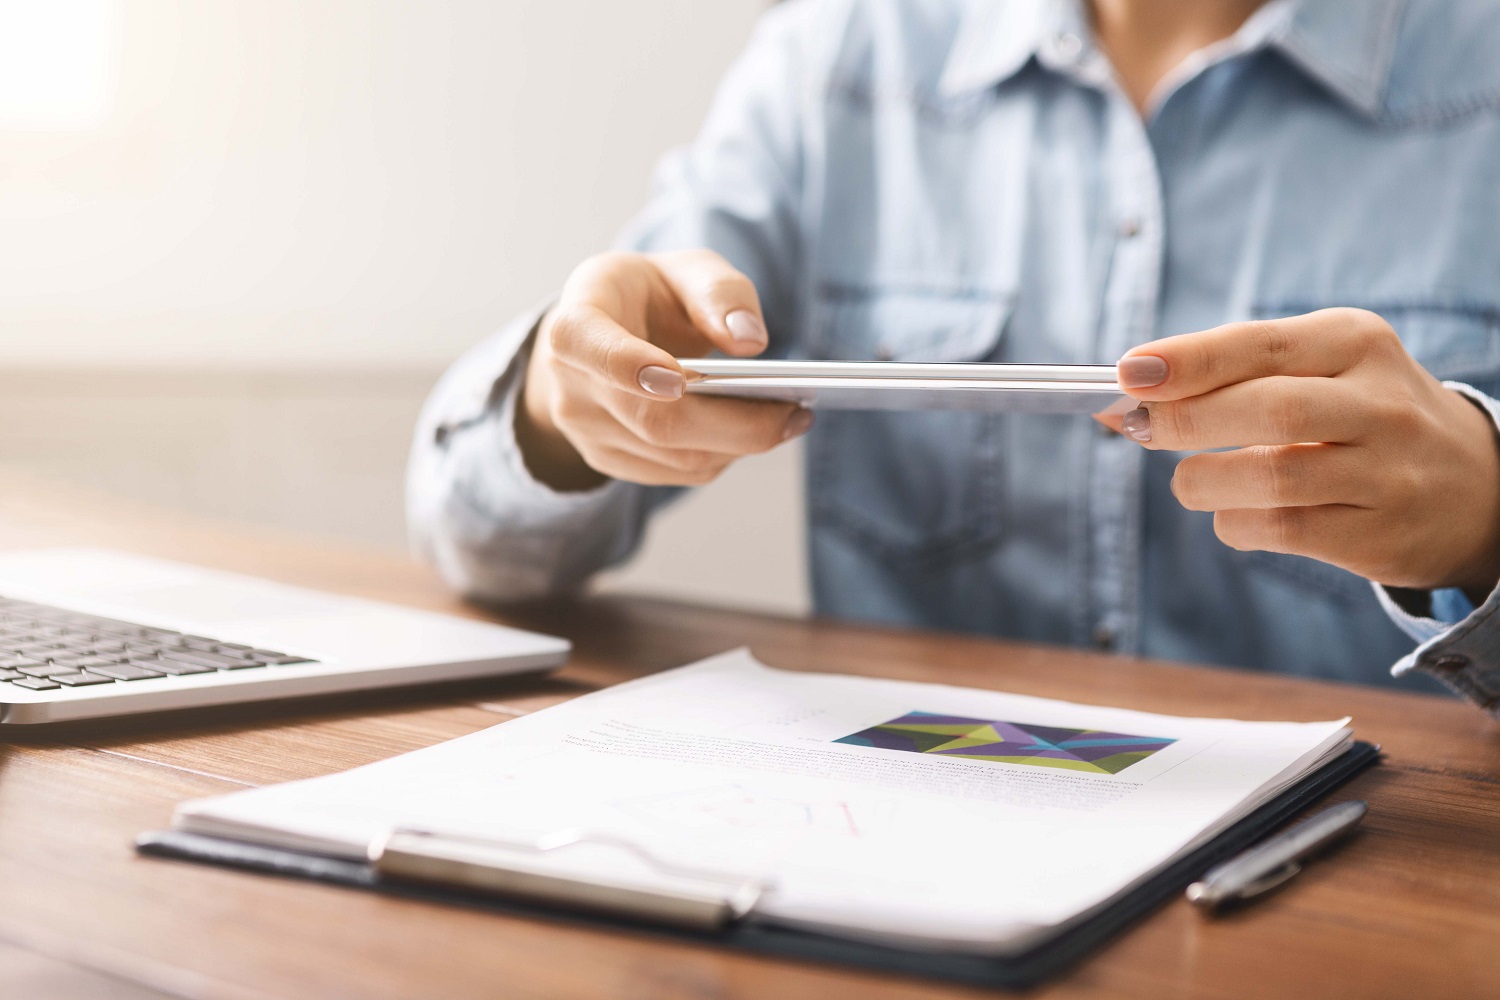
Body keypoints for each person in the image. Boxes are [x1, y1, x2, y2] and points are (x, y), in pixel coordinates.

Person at [408, 0, 1500, 712]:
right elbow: (481, 545)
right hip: (900, 832)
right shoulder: (841, 56)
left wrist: (1486, 522)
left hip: (1370, 873)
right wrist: (562, 408)